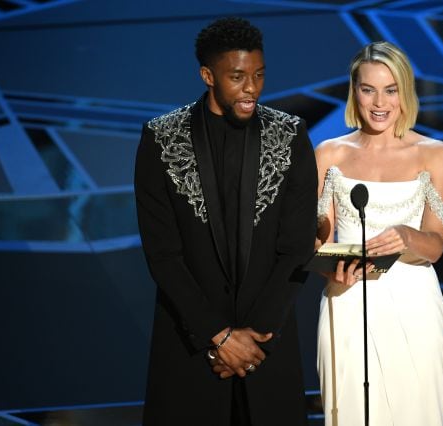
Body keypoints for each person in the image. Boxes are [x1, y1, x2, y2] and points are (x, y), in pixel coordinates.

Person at [134, 17, 317, 425]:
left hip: (267, 346)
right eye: (237, 77)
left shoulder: (290, 136)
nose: (251, 87)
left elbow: (297, 247)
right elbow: (163, 254)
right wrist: (218, 335)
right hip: (190, 346)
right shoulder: (161, 139)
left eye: (259, 75)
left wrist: (254, 341)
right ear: (207, 75)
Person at [315, 41, 443, 425]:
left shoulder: (434, 153)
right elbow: (318, 240)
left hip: (413, 305)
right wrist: (330, 267)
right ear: (354, 91)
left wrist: (407, 237)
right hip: (346, 301)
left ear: (404, 92)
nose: (379, 102)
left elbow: (436, 244)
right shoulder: (328, 154)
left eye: (390, 90)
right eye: (368, 89)